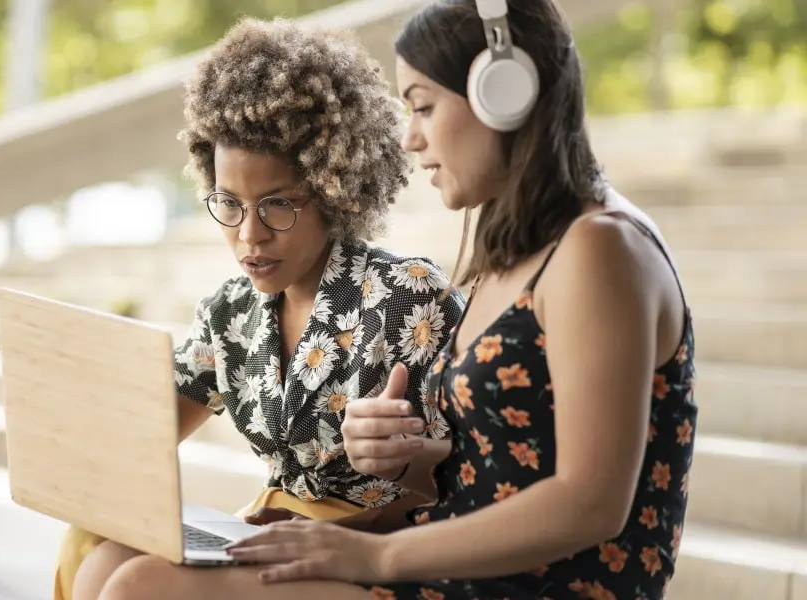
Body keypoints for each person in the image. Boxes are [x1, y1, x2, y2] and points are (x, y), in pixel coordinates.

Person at [92, 1, 698, 599]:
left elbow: (590, 504)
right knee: (111, 563)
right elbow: (483, 475)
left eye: (424, 107)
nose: (410, 138)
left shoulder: (599, 248)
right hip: (448, 562)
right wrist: (395, 467)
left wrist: (373, 552)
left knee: (143, 587)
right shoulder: (515, 251)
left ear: (504, 95)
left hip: (524, 587)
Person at [55, 16, 466, 600]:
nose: (250, 236)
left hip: (378, 555)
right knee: (98, 556)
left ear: (334, 189)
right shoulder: (229, 315)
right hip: (272, 537)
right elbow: (136, 444)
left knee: (138, 585)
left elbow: (474, 476)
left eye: (277, 206)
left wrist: (403, 458)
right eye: (228, 203)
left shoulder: (408, 296)